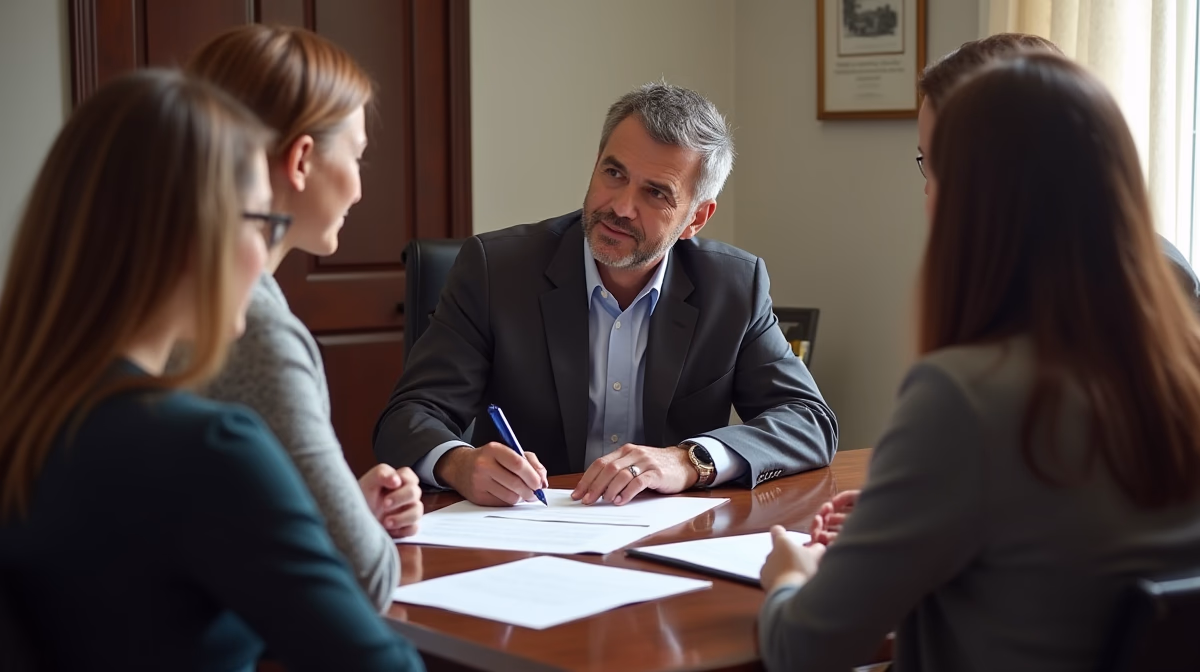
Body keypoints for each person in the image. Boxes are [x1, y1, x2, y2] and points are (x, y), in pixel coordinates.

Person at [758, 53, 1200, 671]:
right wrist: (913, 515)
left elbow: (804, 649)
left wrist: (788, 575)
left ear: (970, 199)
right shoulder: (1181, 373)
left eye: (930, 169)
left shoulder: (963, 397)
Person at [0, 70, 422, 671]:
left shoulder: (26, 416)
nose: (264, 257)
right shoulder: (207, 449)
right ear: (192, 238)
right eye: (262, 222)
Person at [810, 32, 1200, 545]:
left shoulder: (970, 374)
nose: (927, 188)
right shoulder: (1146, 271)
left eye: (939, 162)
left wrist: (795, 573)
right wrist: (920, 502)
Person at [374, 82, 838, 507]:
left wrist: (689, 461)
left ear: (696, 219)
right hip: (532, 534)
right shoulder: (497, 270)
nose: (619, 206)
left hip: (667, 542)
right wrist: (458, 463)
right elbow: (408, 416)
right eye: (613, 173)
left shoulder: (733, 286)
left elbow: (809, 421)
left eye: (655, 193)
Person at [184, 24, 420, 611]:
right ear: (302, 159)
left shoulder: (148, 297)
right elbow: (367, 575)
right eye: (358, 158)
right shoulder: (255, 330)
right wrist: (352, 528)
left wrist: (328, 503)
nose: (360, 190)